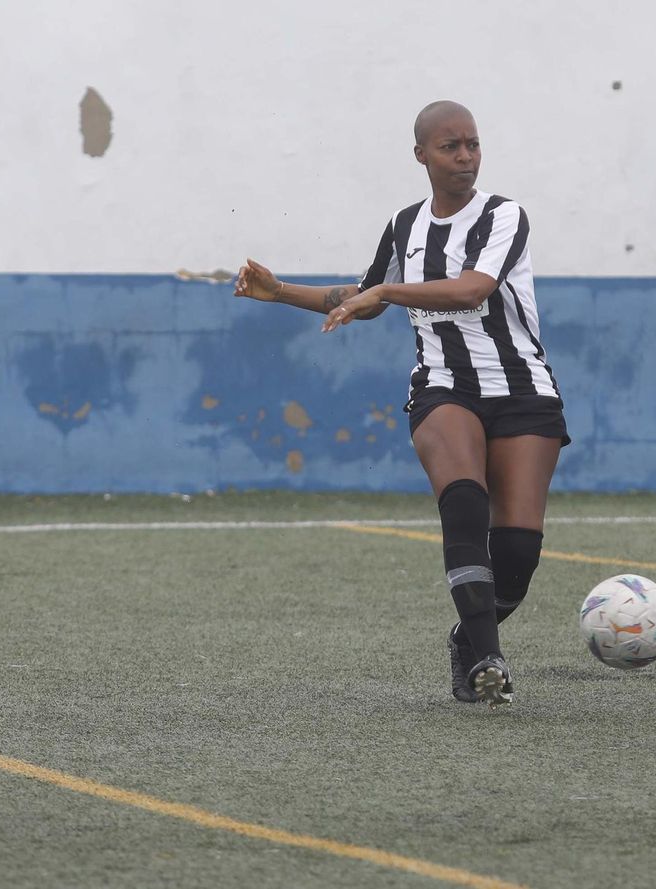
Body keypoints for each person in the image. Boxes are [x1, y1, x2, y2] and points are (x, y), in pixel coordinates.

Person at [233, 100, 566, 708]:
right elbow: (363, 298)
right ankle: (490, 661)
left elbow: (473, 290)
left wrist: (385, 289)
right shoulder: (404, 225)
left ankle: (467, 641)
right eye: (449, 146)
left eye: (472, 144)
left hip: (523, 390)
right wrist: (279, 291)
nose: (464, 156)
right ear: (421, 155)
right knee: (463, 503)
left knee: (517, 552)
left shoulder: (504, 215)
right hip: (443, 385)